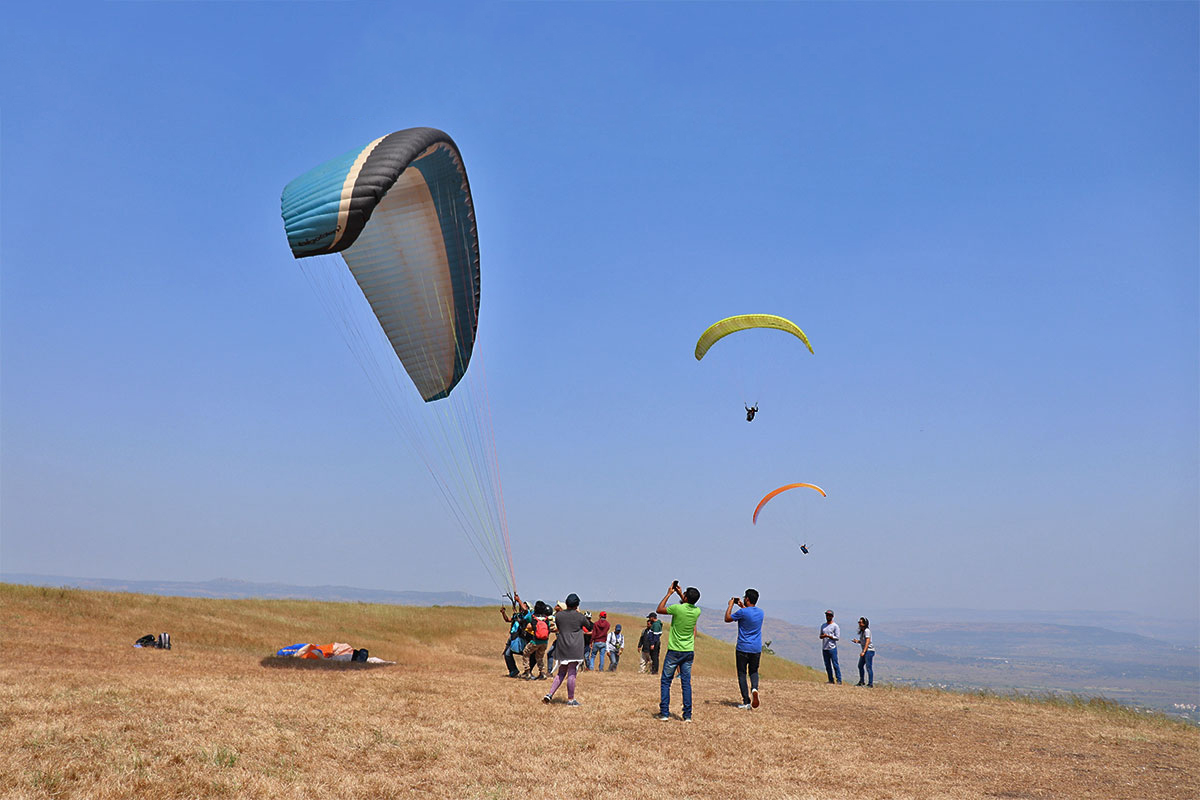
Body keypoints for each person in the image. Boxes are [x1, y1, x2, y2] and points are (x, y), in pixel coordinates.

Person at [655, 580, 701, 722]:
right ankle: (687, 715)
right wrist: (681, 593)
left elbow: (659, 609)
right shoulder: (697, 611)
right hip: (688, 651)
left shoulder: (677, 608)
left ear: (686, 598)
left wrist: (669, 593)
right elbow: (688, 604)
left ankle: (664, 713)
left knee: (666, 681)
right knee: (686, 683)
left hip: (674, 650)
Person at [543, 593, 592, 706]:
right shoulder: (580, 616)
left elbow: (559, 627)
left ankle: (549, 694)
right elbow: (588, 625)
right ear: (577, 605)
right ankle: (571, 699)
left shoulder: (559, 616)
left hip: (562, 646)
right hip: (575, 647)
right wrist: (579, 613)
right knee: (571, 673)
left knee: (561, 673)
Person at [725, 588, 764, 709]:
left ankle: (746, 701)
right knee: (753, 671)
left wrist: (730, 605)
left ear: (747, 599)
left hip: (743, 647)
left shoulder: (743, 613)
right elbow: (749, 615)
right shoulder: (761, 612)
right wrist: (742, 606)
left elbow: (727, 618)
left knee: (742, 674)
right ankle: (754, 689)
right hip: (756, 648)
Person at [501, 594, 531, 678]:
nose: (522, 606)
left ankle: (528, 670)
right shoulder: (516, 615)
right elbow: (508, 620)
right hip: (512, 637)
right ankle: (513, 670)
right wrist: (503, 613)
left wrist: (519, 600)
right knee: (507, 654)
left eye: (525, 604)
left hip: (520, 637)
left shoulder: (527, 615)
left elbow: (525, 610)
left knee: (524, 653)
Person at [521, 600, 551, 680]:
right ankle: (542, 673)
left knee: (526, 653)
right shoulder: (546, 618)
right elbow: (549, 629)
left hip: (535, 641)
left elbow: (524, 619)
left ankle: (527, 672)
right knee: (539, 657)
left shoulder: (532, 616)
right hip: (545, 641)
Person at [820, 608, 842, 684]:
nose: (827, 617)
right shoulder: (823, 625)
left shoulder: (835, 626)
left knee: (835, 664)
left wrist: (829, 636)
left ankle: (839, 680)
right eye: (826, 615)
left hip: (832, 648)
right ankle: (830, 680)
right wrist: (822, 636)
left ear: (832, 616)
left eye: (829, 615)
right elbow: (821, 635)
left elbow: (837, 637)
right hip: (825, 647)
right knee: (827, 665)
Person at [853, 616, 875, 687]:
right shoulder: (862, 632)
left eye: (860, 622)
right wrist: (857, 641)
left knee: (869, 667)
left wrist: (863, 651)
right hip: (865, 651)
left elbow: (867, 642)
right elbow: (863, 641)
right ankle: (862, 681)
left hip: (869, 651)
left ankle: (870, 683)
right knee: (860, 666)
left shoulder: (867, 631)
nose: (859, 623)